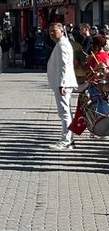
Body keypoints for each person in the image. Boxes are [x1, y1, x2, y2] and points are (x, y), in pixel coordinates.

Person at [46, 21, 77, 149]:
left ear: (62, 31)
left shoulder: (63, 45)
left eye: (54, 30)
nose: (52, 33)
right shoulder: (60, 44)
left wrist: (62, 84)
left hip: (63, 84)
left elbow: (65, 66)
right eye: (50, 31)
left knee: (64, 113)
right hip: (61, 84)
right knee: (66, 112)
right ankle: (69, 139)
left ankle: (66, 140)